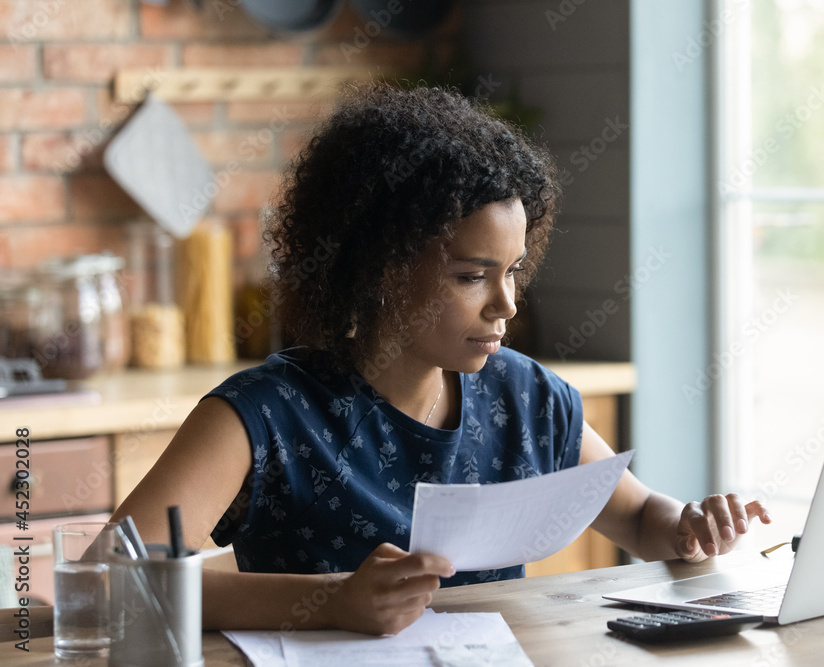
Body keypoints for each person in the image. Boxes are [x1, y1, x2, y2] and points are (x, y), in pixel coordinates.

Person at [111, 82, 770, 636]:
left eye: (513, 271)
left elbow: (635, 515)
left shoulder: (525, 397)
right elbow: (119, 579)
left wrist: (689, 525)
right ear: (380, 268)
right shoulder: (265, 413)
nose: (505, 305)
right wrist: (333, 602)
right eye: (470, 276)